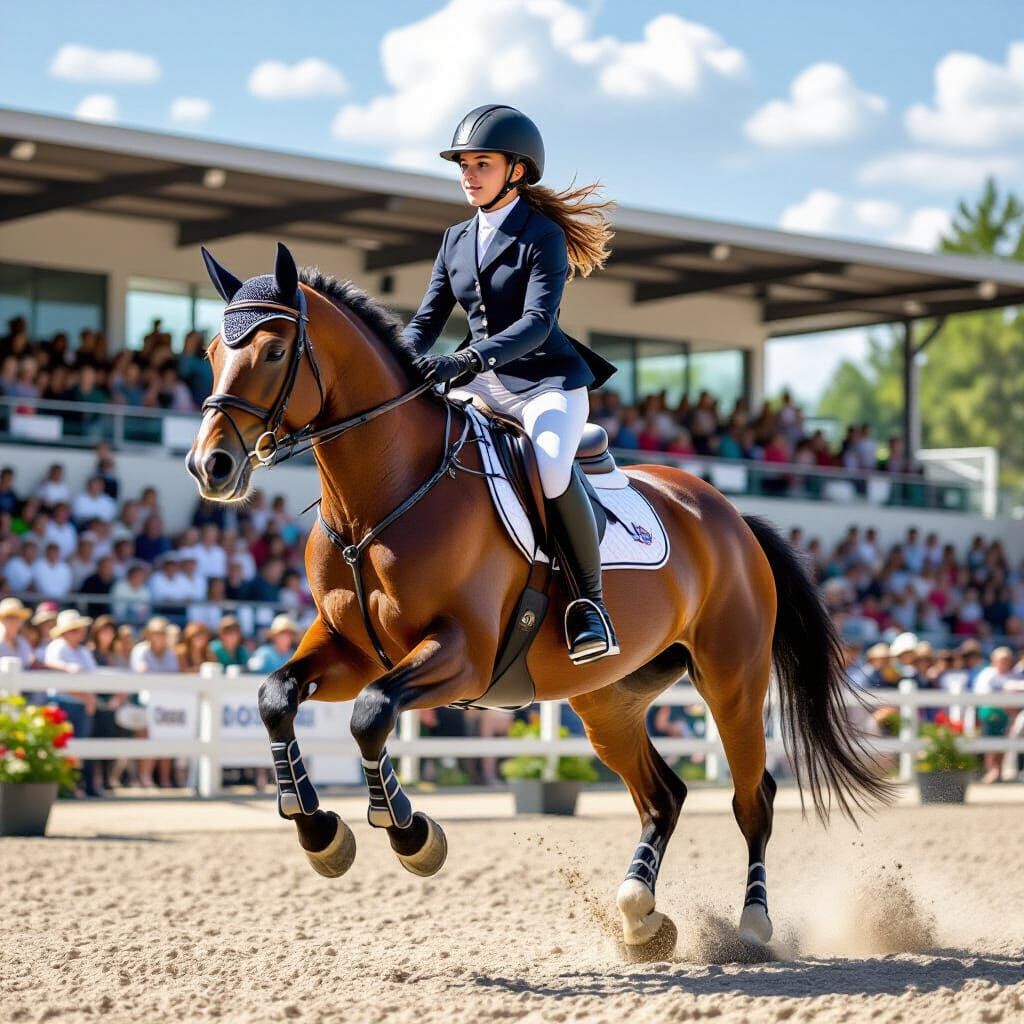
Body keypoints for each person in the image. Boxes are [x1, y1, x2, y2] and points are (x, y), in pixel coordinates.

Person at [403, 104, 619, 663]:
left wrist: (468, 359)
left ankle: (589, 605)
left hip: (545, 381)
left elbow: (537, 323)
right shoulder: (454, 238)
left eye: (482, 164)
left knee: (548, 466)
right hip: (482, 381)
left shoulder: (539, 234)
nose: (469, 175)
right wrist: (395, 362)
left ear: (516, 171)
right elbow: (428, 319)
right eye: (464, 165)